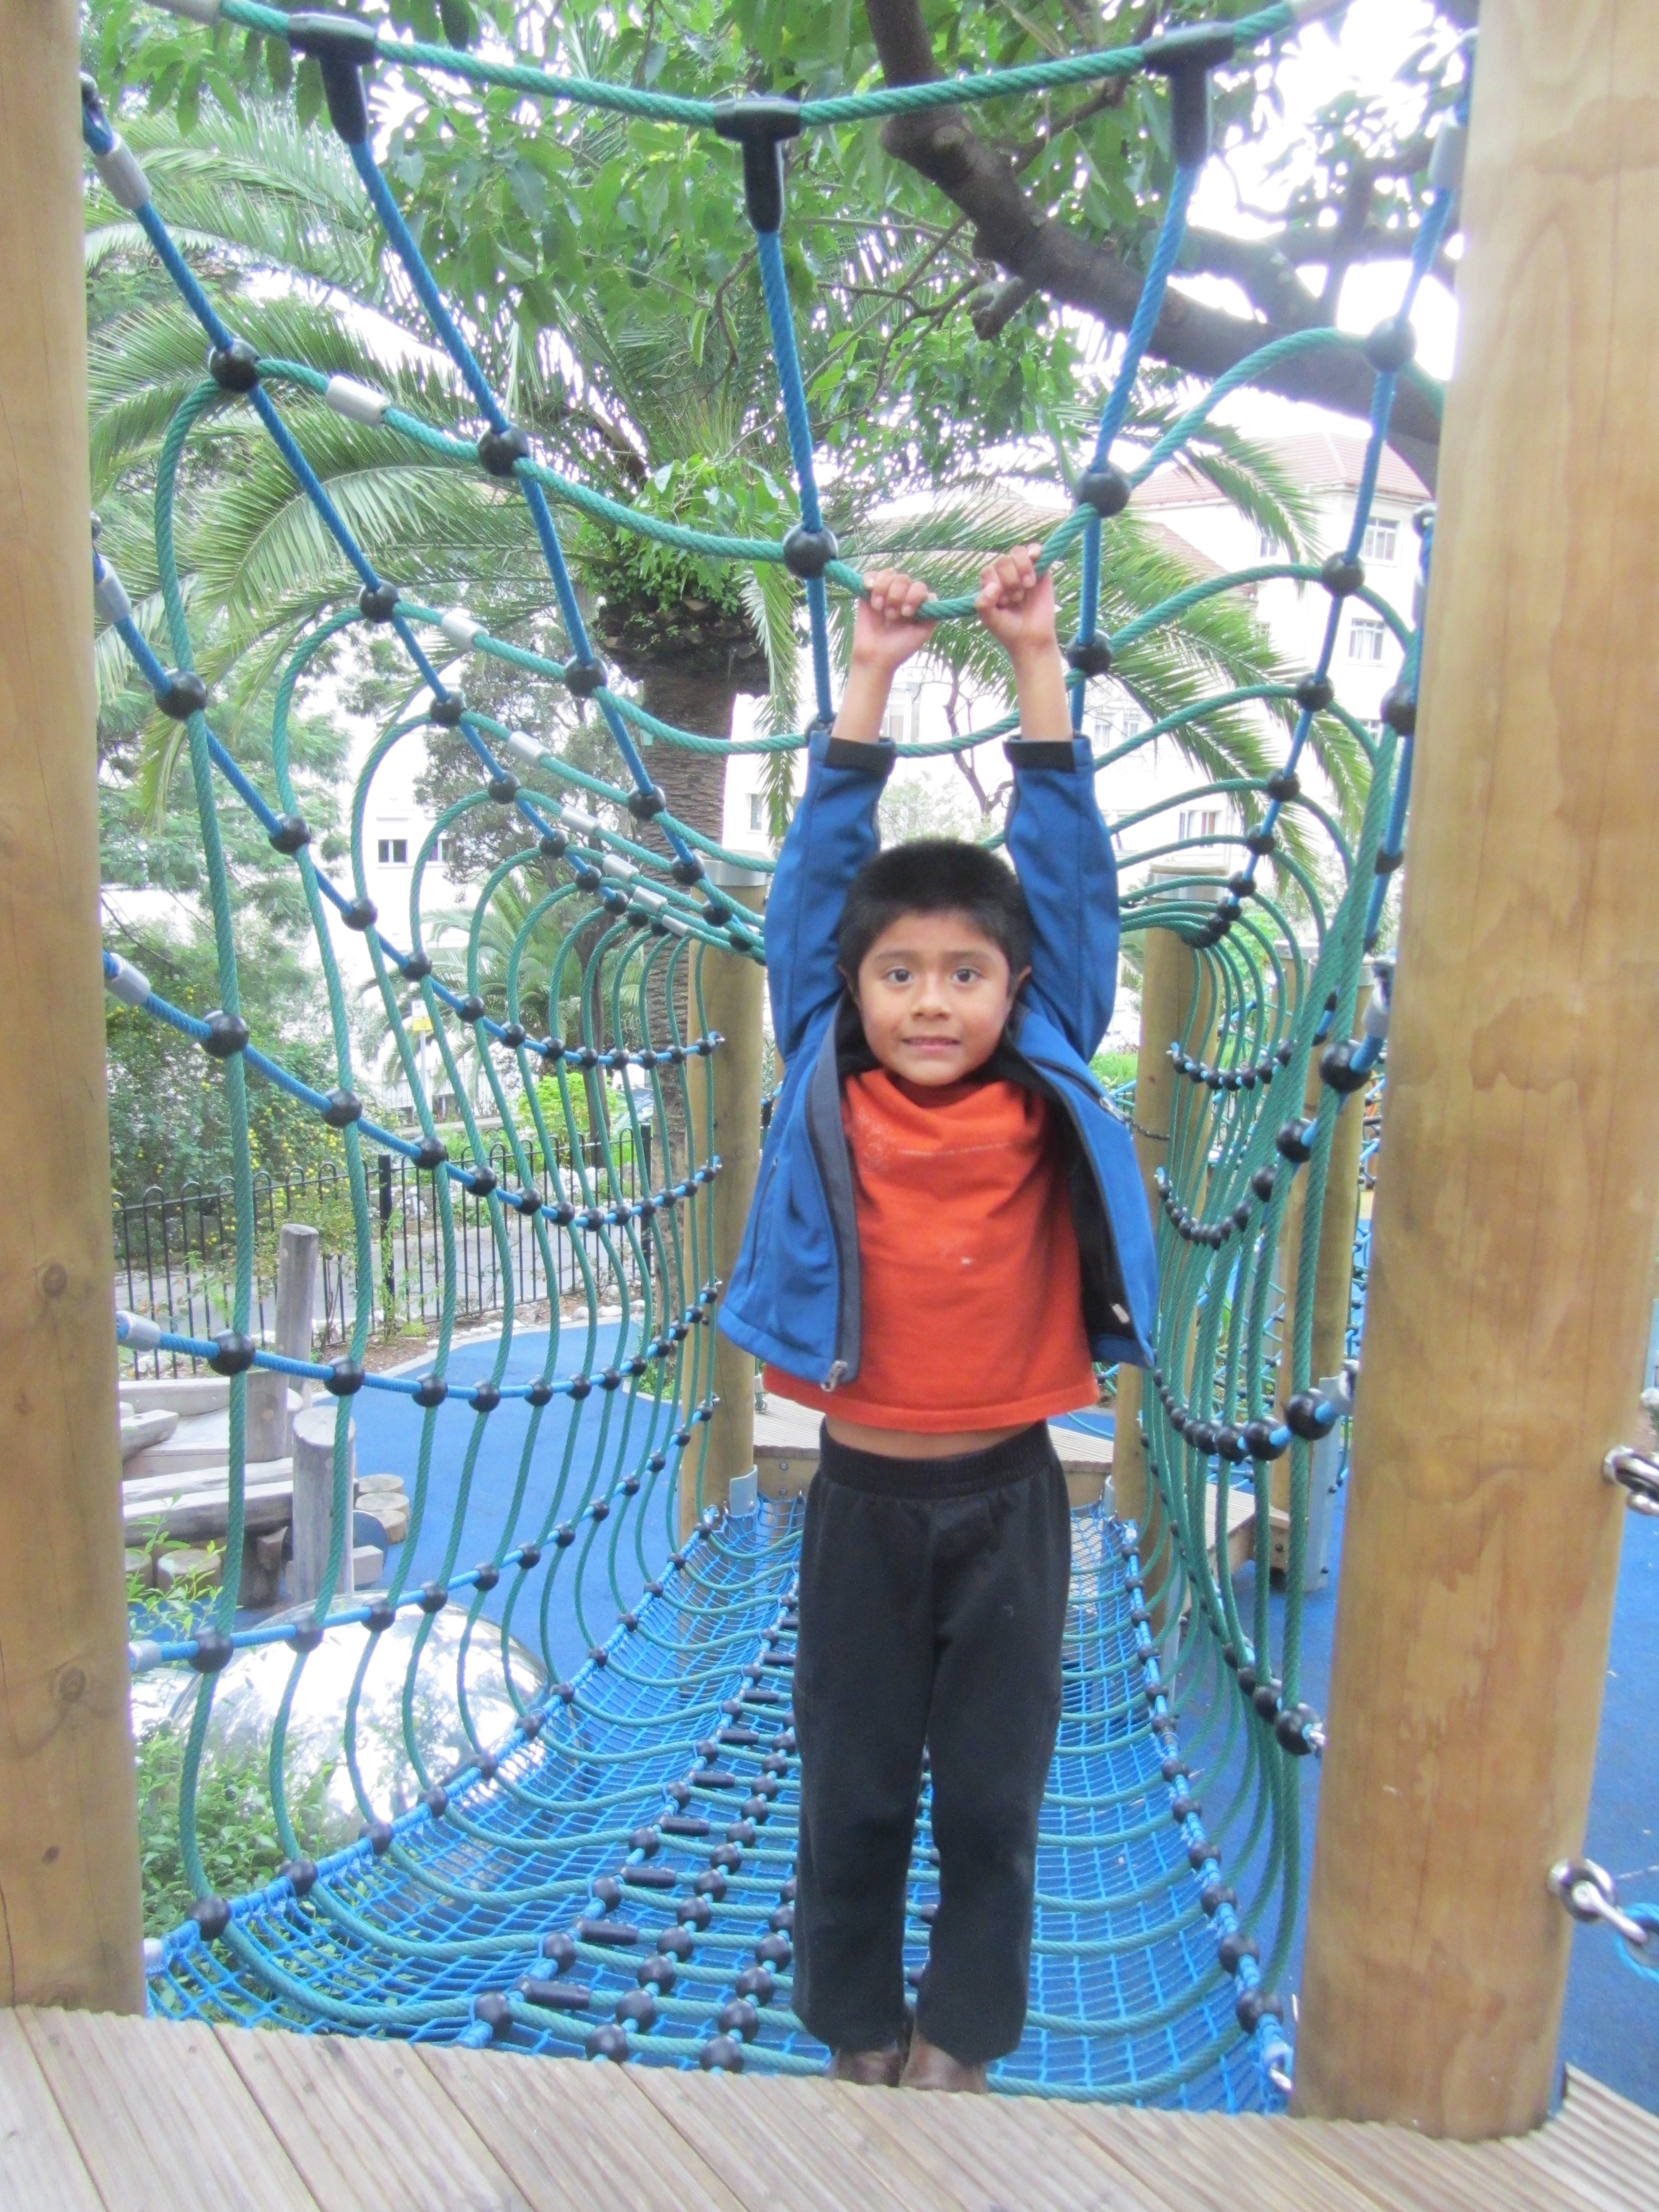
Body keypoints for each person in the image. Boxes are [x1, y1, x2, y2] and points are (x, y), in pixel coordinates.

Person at [718, 550, 1157, 2092]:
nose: (926, 999)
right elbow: (814, 887)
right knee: (848, 1789)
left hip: (1011, 1500)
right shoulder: (824, 1057)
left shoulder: (1052, 1046)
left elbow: (1075, 870)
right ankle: (854, 2029)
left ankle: (960, 2040)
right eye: (898, 971)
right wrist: (870, 686)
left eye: (963, 973)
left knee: (991, 1795)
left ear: (1017, 985)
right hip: (860, 1501)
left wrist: (1037, 664)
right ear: (853, 988)